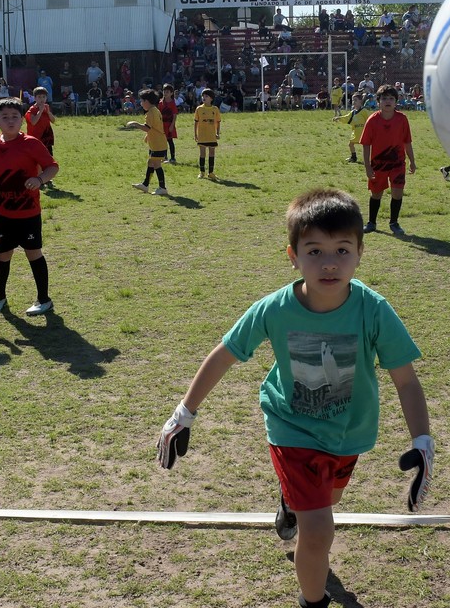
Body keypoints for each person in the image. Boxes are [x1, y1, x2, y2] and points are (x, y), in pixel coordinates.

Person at [155, 187, 433, 608]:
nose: (329, 263)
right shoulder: (273, 309)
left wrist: (422, 440)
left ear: (360, 252)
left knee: (329, 502)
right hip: (292, 428)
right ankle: (312, 601)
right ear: (293, 255)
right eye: (314, 251)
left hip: (349, 433)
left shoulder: (374, 310)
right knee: (320, 529)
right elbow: (225, 354)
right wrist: (185, 412)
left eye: (342, 250)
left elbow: (406, 381)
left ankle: (291, 501)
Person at [0, 98, 60, 317]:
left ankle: (44, 299)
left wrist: (40, 179)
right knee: (2, 255)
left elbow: (52, 167)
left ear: (22, 120)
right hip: (2, 213)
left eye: (15, 116)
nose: (11, 121)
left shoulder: (31, 143)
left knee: (33, 253)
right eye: (5, 117)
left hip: (28, 212)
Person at [360, 85, 417, 235]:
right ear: (378, 101)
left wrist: (412, 160)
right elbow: (366, 145)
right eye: (384, 98)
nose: (388, 101)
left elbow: (407, 141)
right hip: (378, 164)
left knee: (397, 193)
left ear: (396, 102)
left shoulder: (402, 119)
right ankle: (371, 222)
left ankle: (394, 222)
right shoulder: (372, 121)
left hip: (398, 164)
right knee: (376, 193)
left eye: (391, 98)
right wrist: (367, 166)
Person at [125, 88, 169, 196]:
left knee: (156, 164)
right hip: (157, 142)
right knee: (151, 162)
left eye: (141, 101)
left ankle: (162, 187)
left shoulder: (151, 113)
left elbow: (147, 127)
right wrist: (147, 136)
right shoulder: (155, 110)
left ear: (147, 101)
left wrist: (135, 123)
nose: (141, 103)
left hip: (158, 144)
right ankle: (145, 185)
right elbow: (154, 128)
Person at [332, 92, 371, 164]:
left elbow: (370, 120)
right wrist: (339, 118)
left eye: (355, 100)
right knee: (351, 144)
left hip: (364, 133)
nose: (354, 102)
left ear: (360, 101)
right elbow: (346, 118)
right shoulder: (353, 112)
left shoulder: (364, 111)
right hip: (356, 133)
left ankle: (369, 159)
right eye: (353, 100)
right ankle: (353, 157)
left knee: (366, 146)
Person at [193, 88, 221, 179]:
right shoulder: (199, 109)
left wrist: (217, 133)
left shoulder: (215, 109)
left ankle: (211, 172)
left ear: (211, 98)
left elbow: (218, 121)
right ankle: (202, 172)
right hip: (202, 135)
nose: (204, 98)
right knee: (202, 153)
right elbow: (196, 122)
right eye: (203, 96)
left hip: (211, 135)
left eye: (206, 96)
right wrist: (195, 134)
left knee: (212, 153)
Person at [159, 84, 179, 164]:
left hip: (169, 124)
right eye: (164, 91)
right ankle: (164, 157)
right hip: (162, 124)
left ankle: (173, 157)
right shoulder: (161, 103)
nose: (165, 93)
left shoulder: (172, 103)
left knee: (170, 141)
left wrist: (172, 125)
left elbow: (174, 115)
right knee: (163, 141)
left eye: (167, 92)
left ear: (171, 93)